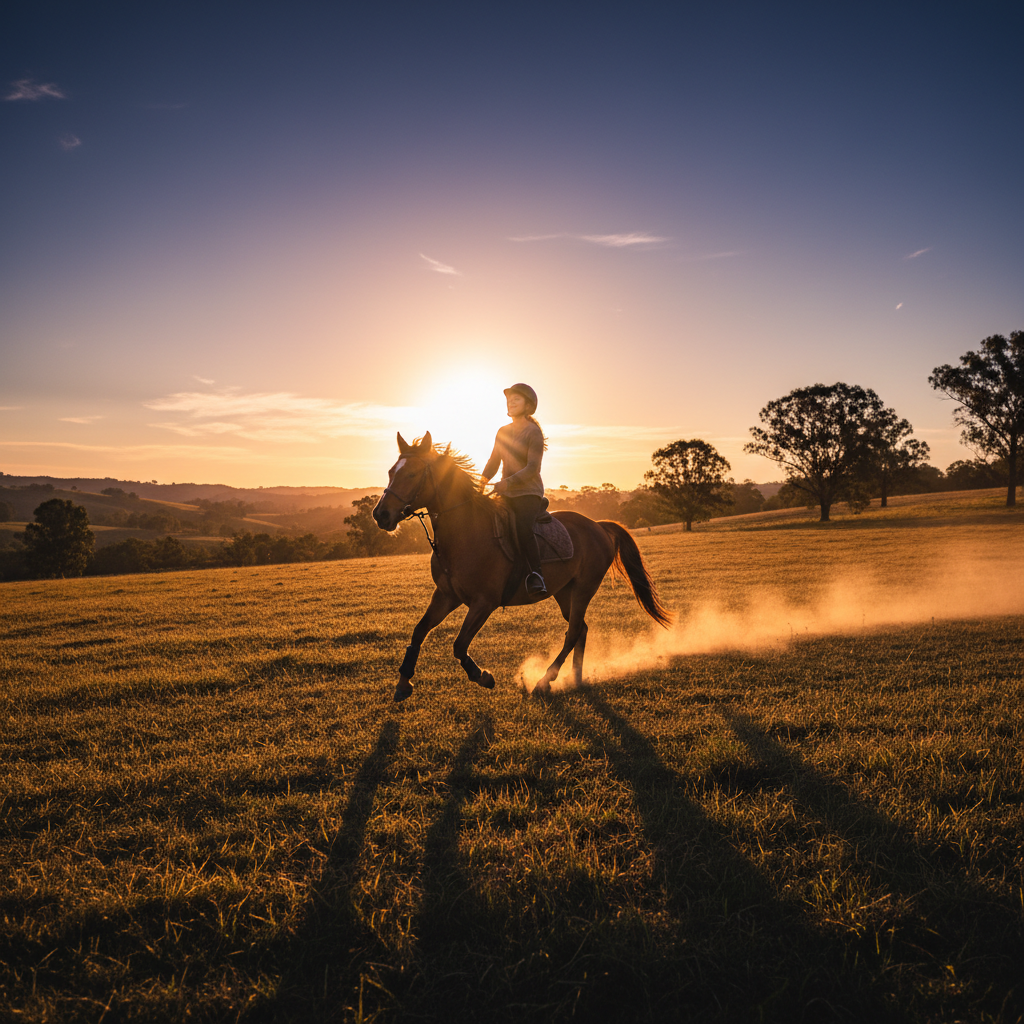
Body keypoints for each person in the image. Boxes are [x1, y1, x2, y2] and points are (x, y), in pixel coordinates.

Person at [481, 383, 548, 600]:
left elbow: (532, 468)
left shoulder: (533, 432)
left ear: (528, 405)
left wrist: (507, 483)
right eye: (509, 399)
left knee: (522, 529)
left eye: (516, 399)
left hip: (528, 493)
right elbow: (494, 461)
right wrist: (482, 481)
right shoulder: (502, 432)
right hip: (506, 492)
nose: (511, 401)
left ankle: (536, 573)